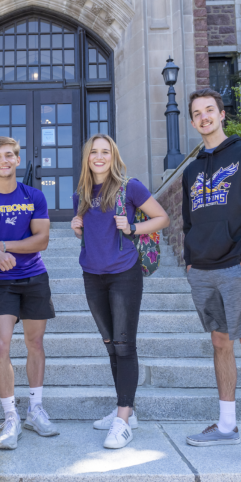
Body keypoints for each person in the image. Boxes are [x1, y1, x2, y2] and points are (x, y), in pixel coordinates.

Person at [71, 134, 169, 449]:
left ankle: (123, 419)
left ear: (113, 157)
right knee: (112, 346)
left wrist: (132, 227)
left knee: (125, 345)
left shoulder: (130, 187)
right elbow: (91, 235)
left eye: (105, 152)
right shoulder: (81, 194)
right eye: (94, 152)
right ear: (87, 157)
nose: (99, 157)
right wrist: (77, 229)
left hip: (124, 275)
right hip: (92, 275)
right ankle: (125, 410)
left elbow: (162, 217)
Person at [0, 136, 58, 450]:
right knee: (0, 344)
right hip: (1, 281)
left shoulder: (34, 196)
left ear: (17, 161)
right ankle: (10, 417)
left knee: (35, 342)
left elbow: (41, 240)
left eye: (10, 156)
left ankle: (35, 409)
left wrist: (4, 245)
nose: (4, 161)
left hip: (34, 276)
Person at [183, 88, 241, 447]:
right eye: (197, 113)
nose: (204, 117)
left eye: (209, 110)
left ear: (222, 114)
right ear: (192, 122)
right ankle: (226, 425)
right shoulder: (190, 171)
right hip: (202, 268)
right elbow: (188, 221)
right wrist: (190, 261)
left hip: (236, 262)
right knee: (220, 341)